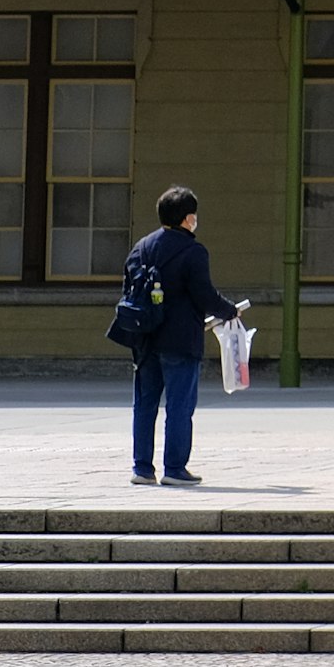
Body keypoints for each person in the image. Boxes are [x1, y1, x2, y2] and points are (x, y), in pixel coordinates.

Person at [116, 187, 242, 488]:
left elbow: (128, 288)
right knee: (179, 406)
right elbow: (204, 295)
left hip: (145, 337)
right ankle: (174, 468)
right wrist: (230, 311)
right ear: (188, 218)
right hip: (181, 339)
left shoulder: (142, 247)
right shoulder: (192, 251)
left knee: (145, 405)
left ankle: (142, 468)